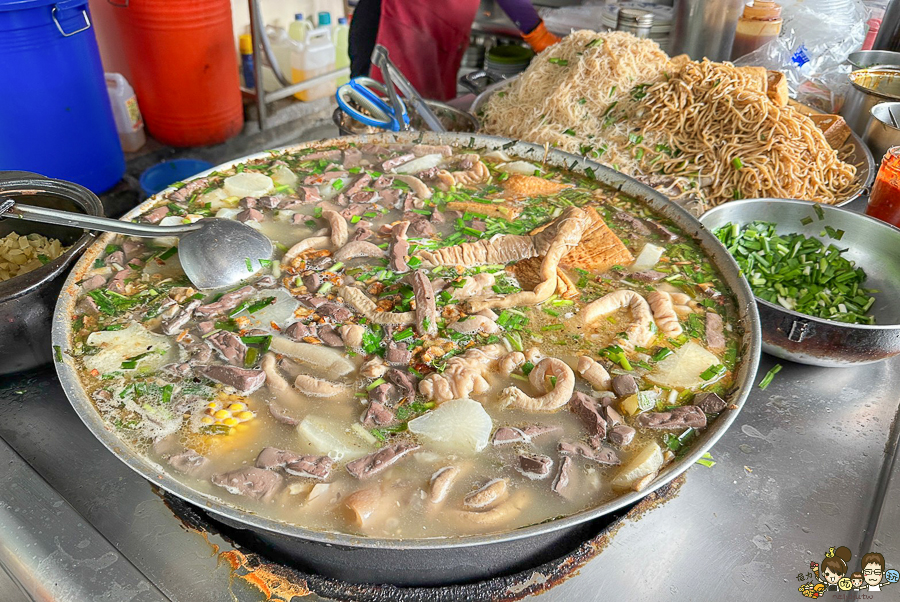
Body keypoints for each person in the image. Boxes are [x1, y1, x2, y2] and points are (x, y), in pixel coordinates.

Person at [348, 0, 560, 101]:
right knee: (380, 113)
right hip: (395, 22)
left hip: (436, 30)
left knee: (426, 113)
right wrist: (538, 35)